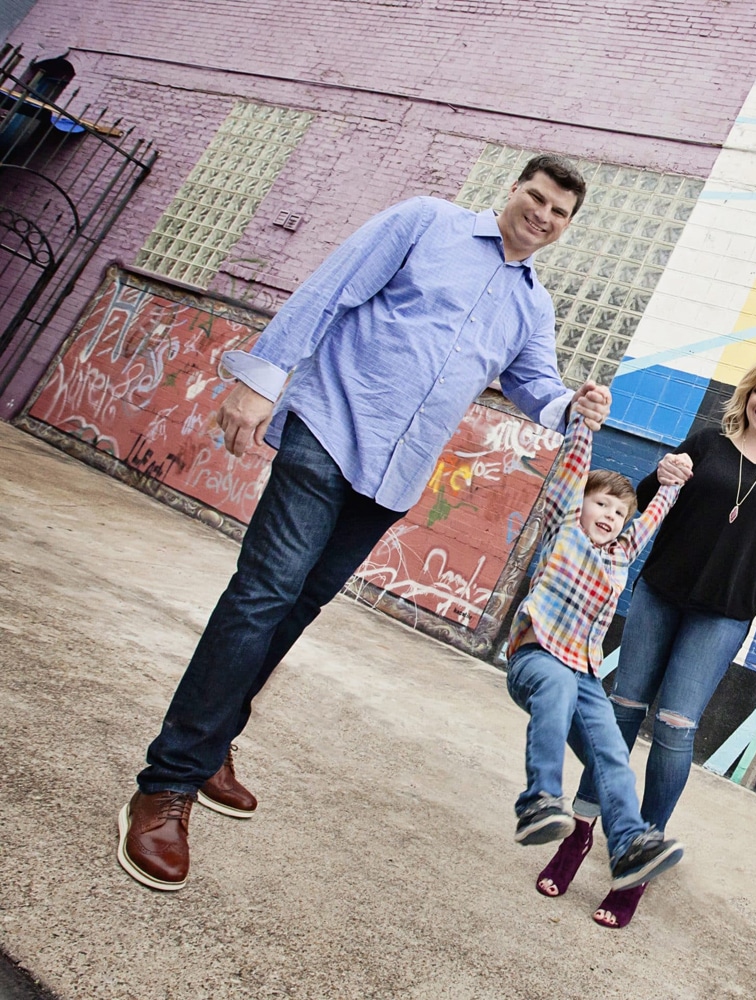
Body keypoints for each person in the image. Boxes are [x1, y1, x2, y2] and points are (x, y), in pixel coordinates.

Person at [117, 154, 609, 892]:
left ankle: (215, 736)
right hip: (329, 425)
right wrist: (259, 380)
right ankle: (166, 785)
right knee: (263, 594)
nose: (541, 215)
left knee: (297, 607)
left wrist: (572, 405)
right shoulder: (425, 222)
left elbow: (533, 384)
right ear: (511, 191)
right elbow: (328, 291)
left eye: (558, 212)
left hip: (394, 475)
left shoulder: (532, 305)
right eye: (534, 197)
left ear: (568, 227)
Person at [536, 357, 756, 928]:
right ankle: (581, 832)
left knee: (673, 730)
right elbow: (641, 500)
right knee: (619, 716)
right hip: (660, 595)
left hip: (721, 619)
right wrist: (657, 477)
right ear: (747, 395)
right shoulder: (709, 444)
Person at [505, 410, 692, 894]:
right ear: (581, 504)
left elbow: (650, 518)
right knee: (558, 682)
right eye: (602, 504)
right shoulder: (564, 528)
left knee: (611, 750)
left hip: (584, 674)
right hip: (537, 657)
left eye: (618, 512)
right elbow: (572, 471)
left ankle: (629, 844)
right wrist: (586, 424)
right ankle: (541, 799)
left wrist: (671, 485)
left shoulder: (620, 555)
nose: (610, 516)